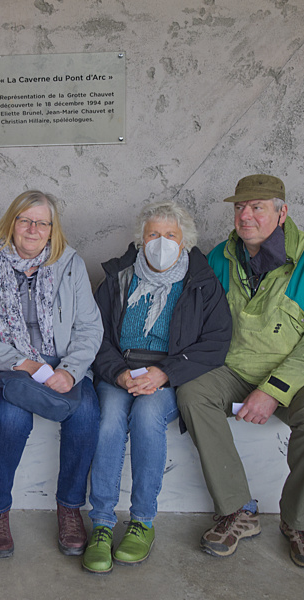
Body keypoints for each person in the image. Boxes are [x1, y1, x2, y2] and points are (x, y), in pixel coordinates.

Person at [177, 174, 304, 570]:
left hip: (301, 378)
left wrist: (273, 390)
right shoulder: (220, 257)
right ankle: (236, 510)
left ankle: (298, 523)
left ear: (282, 212)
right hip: (235, 370)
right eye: (240, 207)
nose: (246, 215)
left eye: (257, 207)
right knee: (191, 392)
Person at [82, 202, 231, 574]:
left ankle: (142, 521)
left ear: (184, 241)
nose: (160, 243)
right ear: (140, 239)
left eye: (170, 235)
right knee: (108, 419)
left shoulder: (202, 282)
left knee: (148, 417)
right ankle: (102, 523)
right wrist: (118, 373)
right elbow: (94, 335)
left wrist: (164, 373)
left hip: (168, 373)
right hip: (119, 370)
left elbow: (215, 342)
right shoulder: (118, 276)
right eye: (153, 234)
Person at [0, 190, 103, 559]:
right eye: (25, 220)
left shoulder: (70, 265)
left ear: (53, 229)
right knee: (10, 417)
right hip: (8, 365)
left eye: (42, 223)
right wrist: (25, 364)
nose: (33, 229)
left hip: (63, 362)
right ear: (12, 223)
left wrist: (69, 371)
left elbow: (89, 328)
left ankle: (69, 508)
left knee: (86, 413)